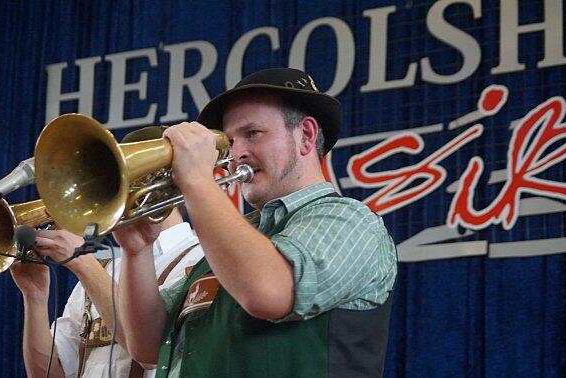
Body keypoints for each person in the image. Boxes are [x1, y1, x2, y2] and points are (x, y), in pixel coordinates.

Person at [116, 68, 398, 378]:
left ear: (305, 135)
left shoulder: (351, 221)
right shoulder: (234, 236)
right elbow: (147, 347)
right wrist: (136, 251)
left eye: (253, 134)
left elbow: (268, 292)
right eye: (231, 141)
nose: (237, 154)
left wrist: (197, 180)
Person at [11, 207, 203, 378]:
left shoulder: (200, 260)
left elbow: (149, 351)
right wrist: (34, 296)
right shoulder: (103, 267)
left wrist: (83, 263)